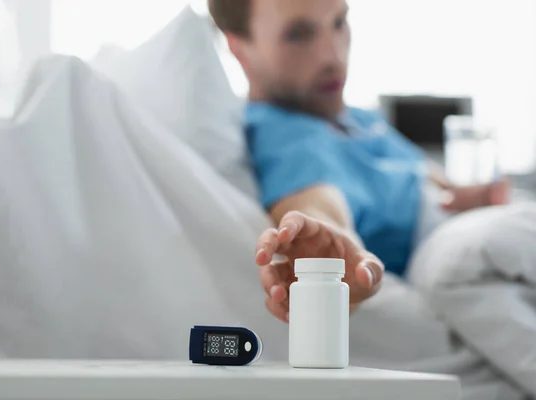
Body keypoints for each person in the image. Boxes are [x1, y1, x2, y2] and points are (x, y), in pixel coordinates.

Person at [208, 0, 510, 323]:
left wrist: (468, 195)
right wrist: (332, 250)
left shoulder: (360, 120)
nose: (333, 56)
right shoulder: (281, 132)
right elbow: (314, 202)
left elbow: (432, 179)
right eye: (299, 34)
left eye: (339, 23)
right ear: (239, 48)